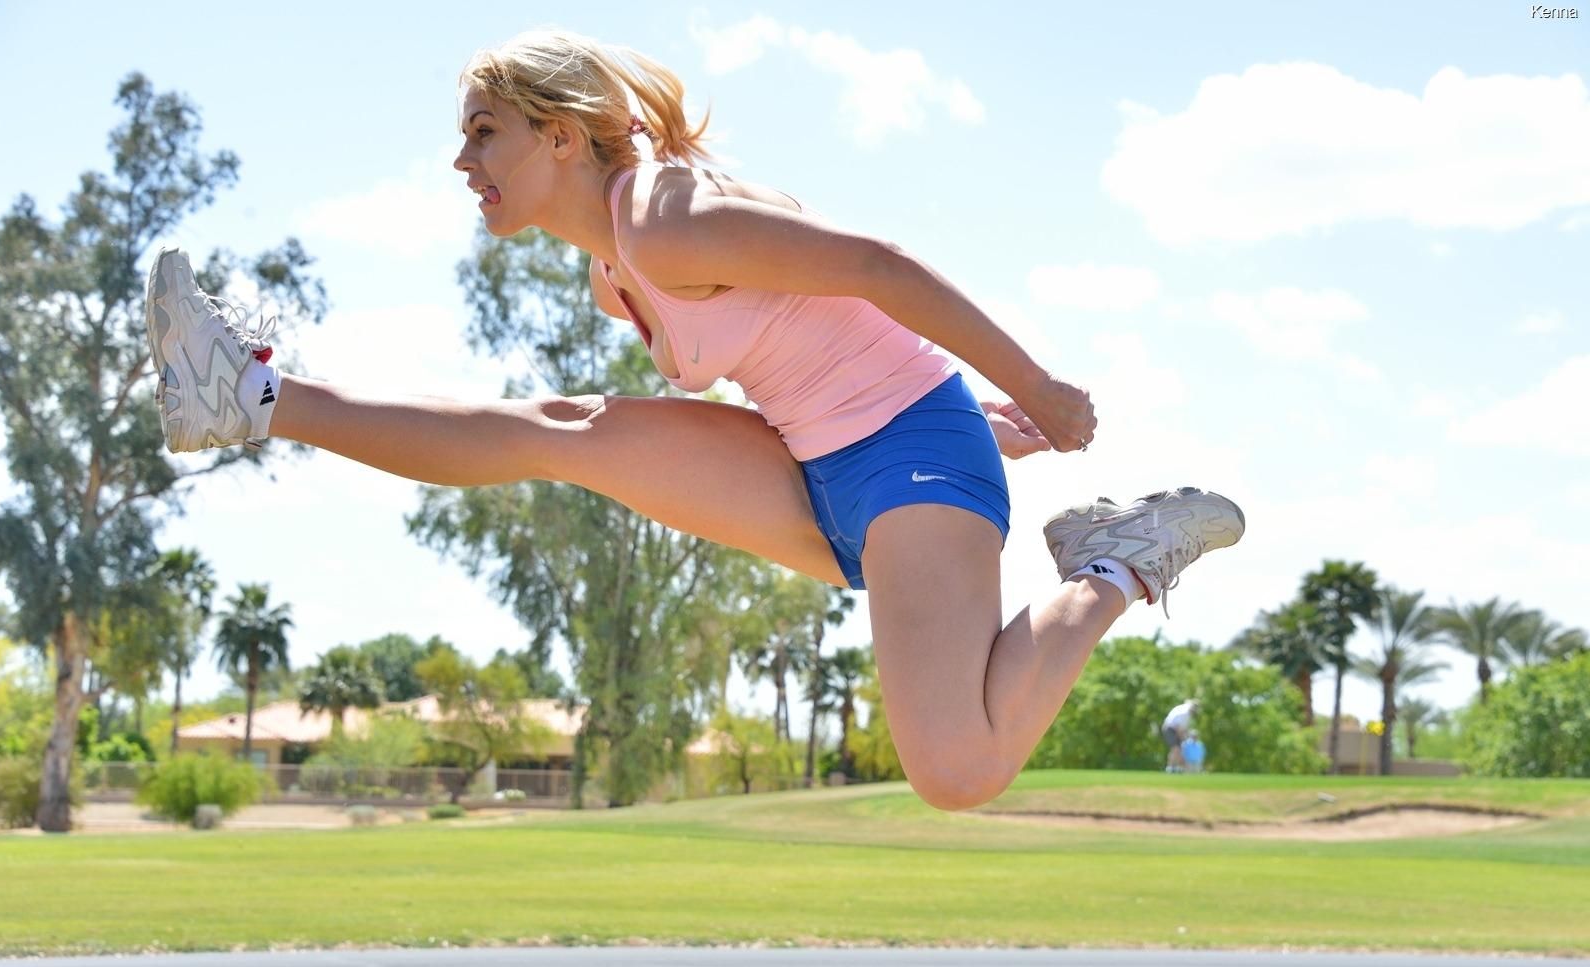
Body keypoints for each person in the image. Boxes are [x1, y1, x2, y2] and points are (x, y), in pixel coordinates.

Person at [144, 29, 1244, 813]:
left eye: (484, 132)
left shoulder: (667, 216)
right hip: (823, 469)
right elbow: (805, 347)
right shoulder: (612, 276)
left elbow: (878, 268)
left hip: (913, 457)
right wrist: (987, 419)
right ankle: (248, 395)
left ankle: (1113, 561)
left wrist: (1036, 391)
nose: (461, 160)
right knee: (554, 430)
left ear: (564, 135)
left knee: (956, 771)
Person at [1161, 699, 1199, 773]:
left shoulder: (1183, 709)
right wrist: (1183, 739)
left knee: (1176, 749)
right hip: (1171, 729)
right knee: (1176, 749)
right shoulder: (1185, 712)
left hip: (1172, 729)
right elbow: (1179, 728)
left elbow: (1183, 728)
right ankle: (1171, 768)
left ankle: (1176, 767)